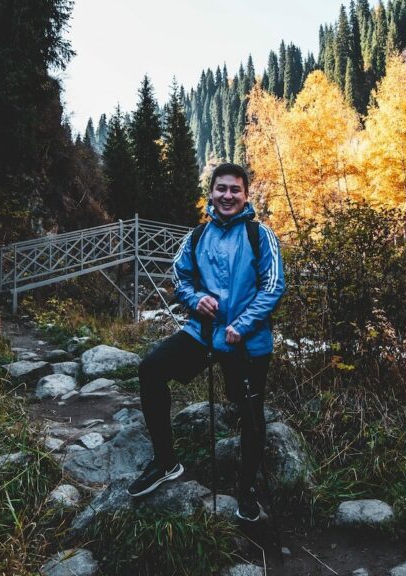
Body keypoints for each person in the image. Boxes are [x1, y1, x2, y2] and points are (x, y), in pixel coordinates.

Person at [127, 162, 285, 523]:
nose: (227, 195)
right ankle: (166, 462)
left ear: (246, 195)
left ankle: (246, 490)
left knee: (249, 412)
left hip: (248, 340)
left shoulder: (261, 236)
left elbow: (274, 285)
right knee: (151, 369)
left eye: (235, 189)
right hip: (203, 333)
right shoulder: (196, 237)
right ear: (210, 193)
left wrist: (243, 325)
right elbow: (179, 277)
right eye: (221, 189)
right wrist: (195, 298)